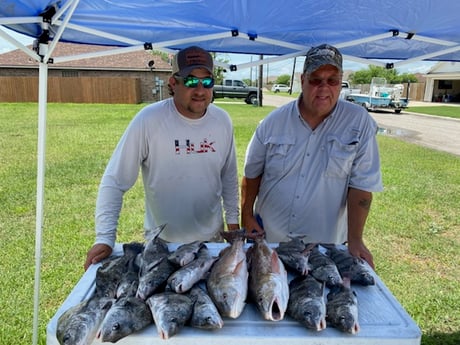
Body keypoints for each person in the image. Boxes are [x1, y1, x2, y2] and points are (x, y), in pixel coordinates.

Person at [84, 46, 240, 270]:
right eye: (190, 81)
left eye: (207, 82)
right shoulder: (149, 120)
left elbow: (229, 177)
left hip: (210, 243)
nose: (199, 90)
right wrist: (104, 238)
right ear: (173, 83)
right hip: (163, 247)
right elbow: (114, 181)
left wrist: (233, 225)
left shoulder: (222, 120)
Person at [241, 44, 383, 269]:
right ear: (302, 80)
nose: (324, 88)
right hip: (271, 241)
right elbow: (251, 174)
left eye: (332, 80)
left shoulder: (359, 122)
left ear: (341, 81)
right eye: (316, 80)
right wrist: (246, 216)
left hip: (325, 246)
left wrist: (356, 240)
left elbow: (362, 186)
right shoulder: (272, 122)